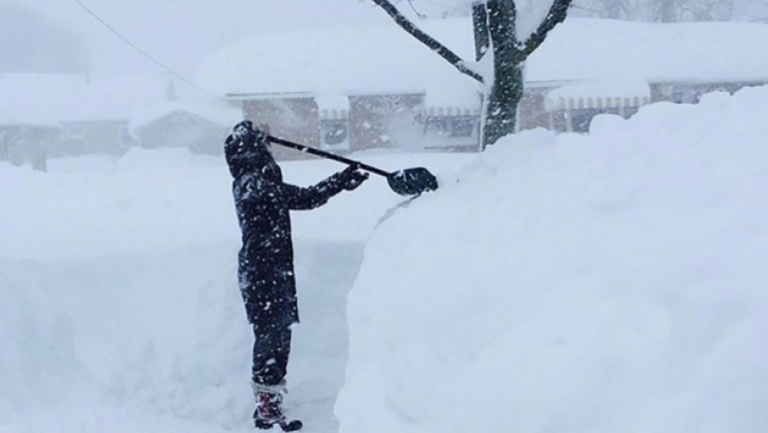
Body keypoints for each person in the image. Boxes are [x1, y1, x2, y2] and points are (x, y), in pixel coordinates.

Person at [224, 120, 368, 431]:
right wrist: (261, 160)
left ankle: (271, 399)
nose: (268, 152)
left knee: (280, 336)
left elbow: (305, 198)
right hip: (261, 270)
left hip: (275, 269)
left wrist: (339, 181)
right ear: (249, 153)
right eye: (262, 147)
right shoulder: (249, 182)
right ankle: (265, 406)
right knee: (270, 335)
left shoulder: (264, 181)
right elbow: (261, 191)